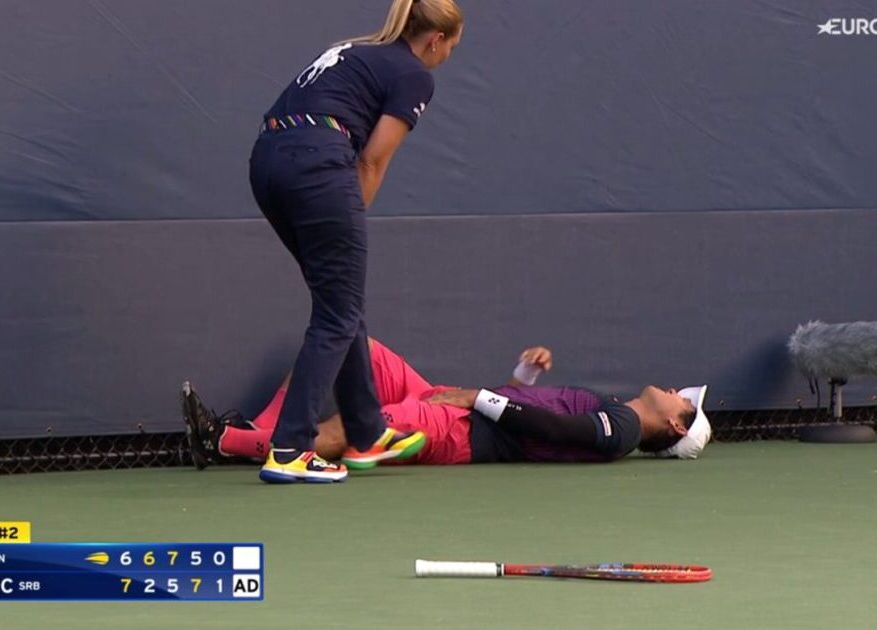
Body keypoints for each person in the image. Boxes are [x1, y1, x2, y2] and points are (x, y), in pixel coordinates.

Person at [247, 0, 465, 483]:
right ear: (434, 39)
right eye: (451, 47)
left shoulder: (353, 51)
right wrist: (347, 219)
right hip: (318, 166)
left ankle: (366, 431)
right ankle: (289, 448)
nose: (446, 56)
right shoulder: (413, 73)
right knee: (338, 311)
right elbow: (371, 160)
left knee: (339, 302)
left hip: (268, 161)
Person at [181, 339, 712, 471]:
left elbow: (551, 429)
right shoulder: (614, 411)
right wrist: (521, 377)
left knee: (355, 427)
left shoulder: (620, 430)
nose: (672, 388)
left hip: (459, 431)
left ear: (673, 422)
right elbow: (529, 408)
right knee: (348, 344)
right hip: (457, 405)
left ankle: (228, 442)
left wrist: (476, 397)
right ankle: (259, 431)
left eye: (680, 399)